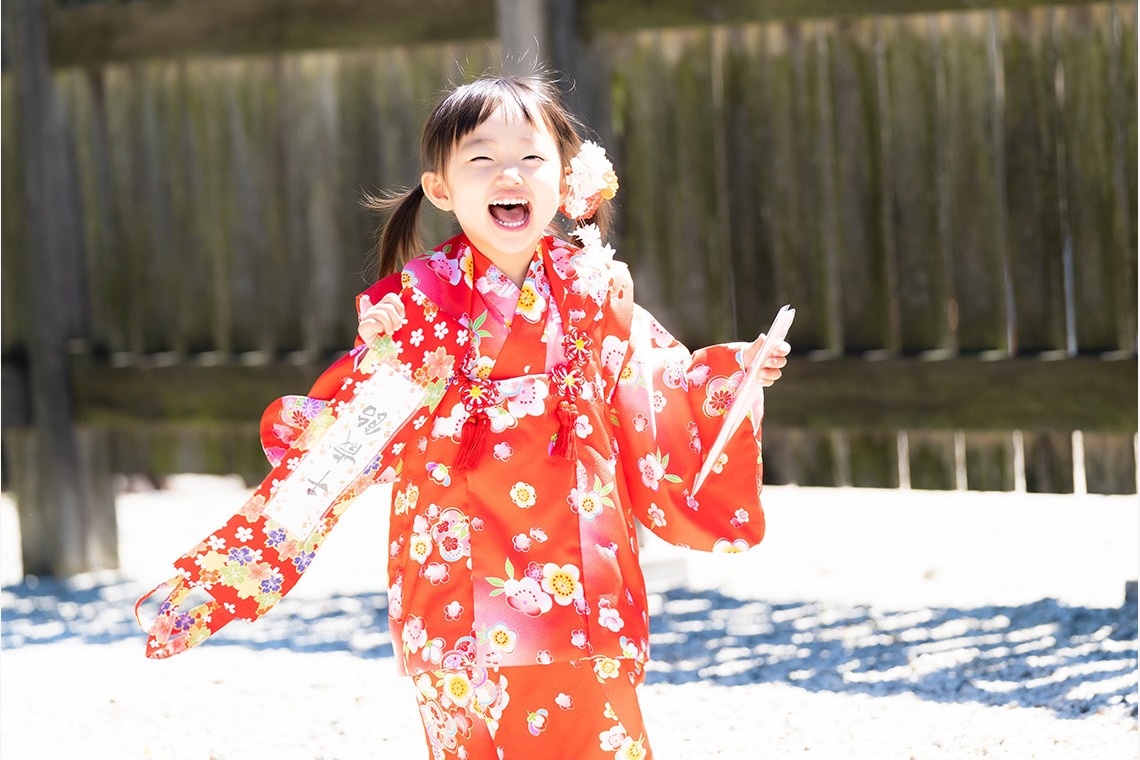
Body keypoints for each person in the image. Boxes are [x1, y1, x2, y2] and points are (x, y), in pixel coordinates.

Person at [273, 72, 789, 760]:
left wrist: (731, 376)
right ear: (442, 190)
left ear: (566, 180)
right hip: (455, 556)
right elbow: (361, 424)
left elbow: (657, 384)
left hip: (577, 550)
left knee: (597, 728)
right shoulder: (416, 301)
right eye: (481, 159)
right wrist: (383, 362)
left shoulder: (596, 286)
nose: (508, 173)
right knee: (471, 725)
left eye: (531, 157)